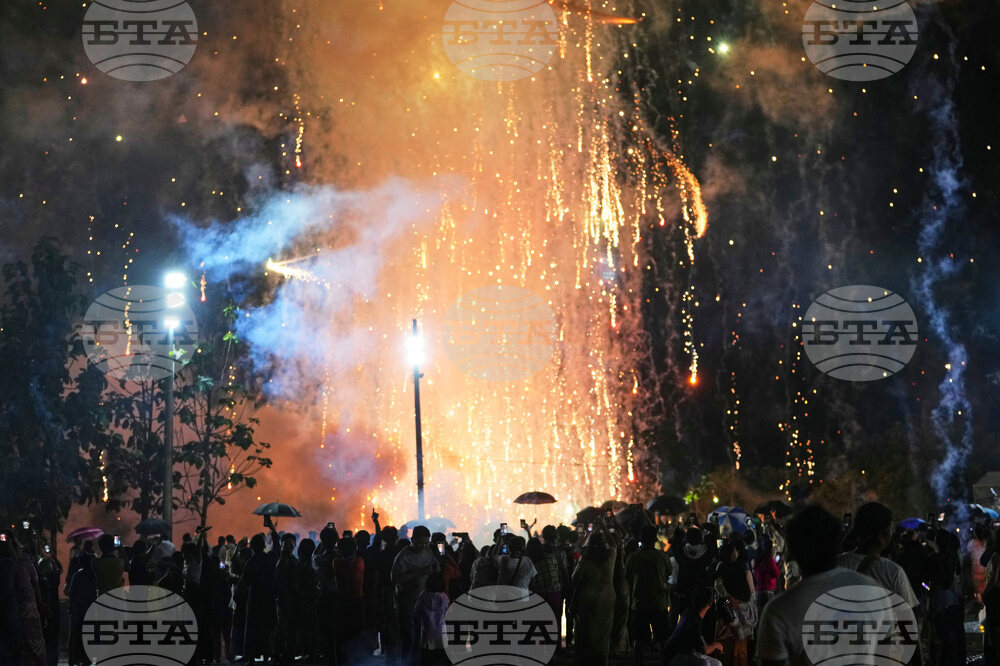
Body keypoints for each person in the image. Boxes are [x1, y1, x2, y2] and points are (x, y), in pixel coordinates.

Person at [756, 505, 902, 665]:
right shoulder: (874, 592)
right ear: (838, 544)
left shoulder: (779, 610)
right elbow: (887, 655)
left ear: (792, 551)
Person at [391, 525, 441, 658]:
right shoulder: (403, 556)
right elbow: (395, 578)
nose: (424, 546)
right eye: (420, 543)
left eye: (426, 543)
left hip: (424, 602)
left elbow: (436, 566)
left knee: (422, 638)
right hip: (407, 603)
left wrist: (436, 567)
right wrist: (418, 572)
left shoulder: (428, 550)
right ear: (412, 540)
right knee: (409, 639)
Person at [571, 524, 617, 665]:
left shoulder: (586, 560)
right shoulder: (610, 557)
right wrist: (603, 525)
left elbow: (574, 579)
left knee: (586, 634)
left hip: (588, 600)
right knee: (603, 634)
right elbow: (613, 544)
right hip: (607, 599)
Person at [624, 524, 670, 665]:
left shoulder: (634, 557)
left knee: (639, 639)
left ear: (641, 539)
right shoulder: (662, 556)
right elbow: (669, 573)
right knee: (663, 638)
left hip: (639, 604)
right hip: (659, 603)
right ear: (655, 539)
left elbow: (628, 577)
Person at [662, 586, 723, 666]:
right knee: (704, 664)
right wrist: (716, 645)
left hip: (687, 652)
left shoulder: (691, 612)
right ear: (709, 604)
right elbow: (704, 650)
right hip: (674, 656)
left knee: (717, 664)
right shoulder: (693, 621)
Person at [413, 572, 450, 665]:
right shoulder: (444, 597)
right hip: (441, 637)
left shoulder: (423, 596)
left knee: (427, 661)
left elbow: (416, 613)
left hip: (426, 636)